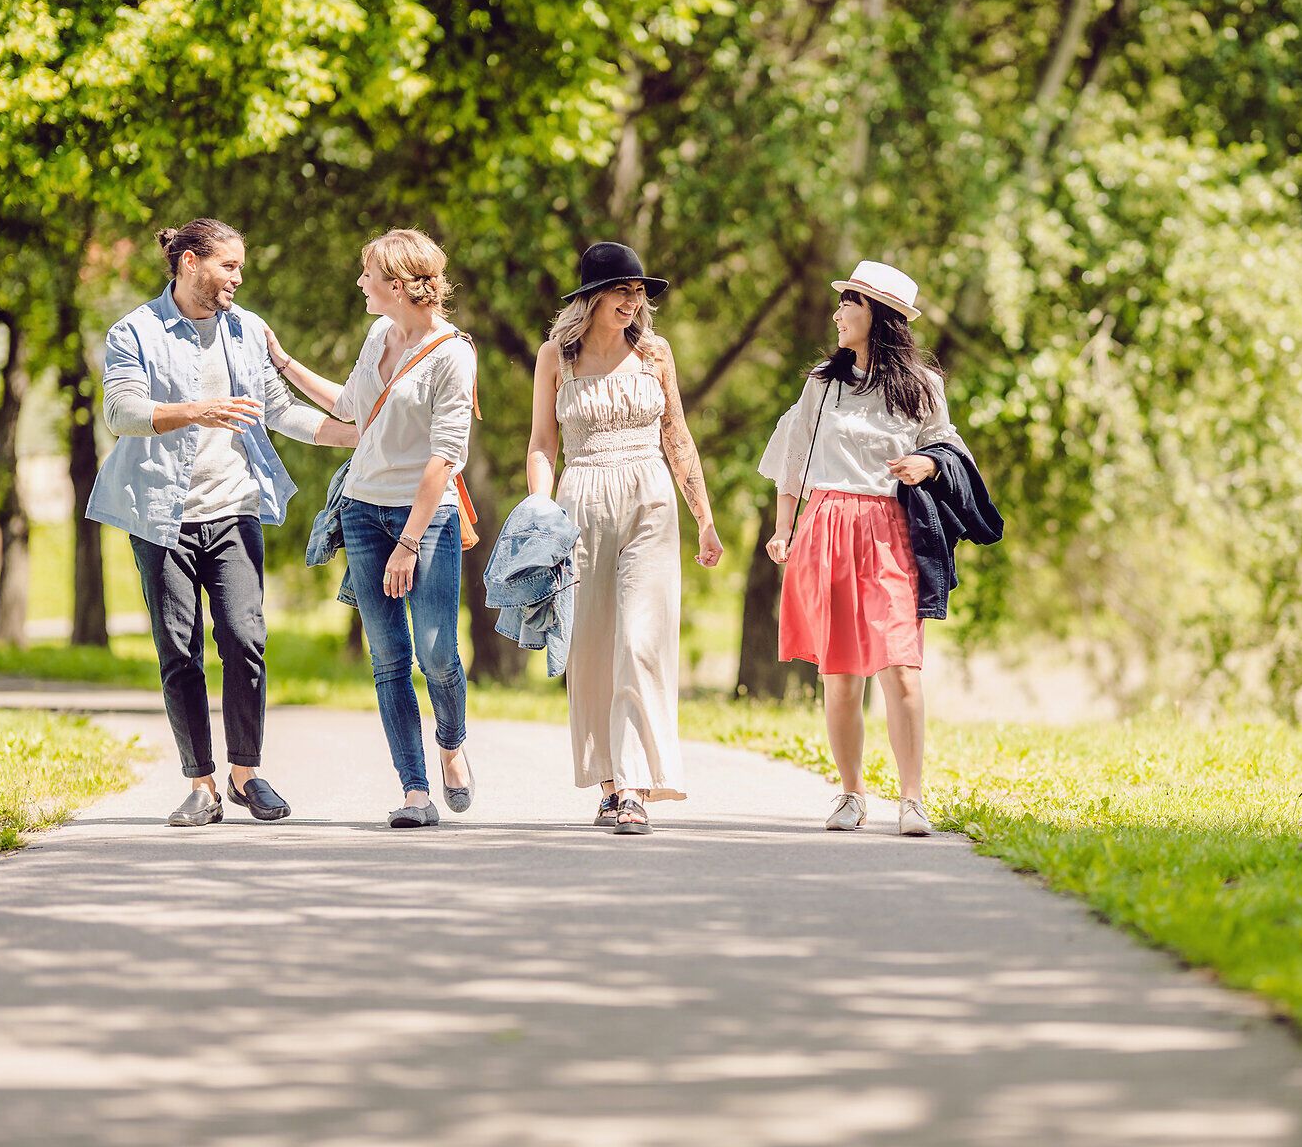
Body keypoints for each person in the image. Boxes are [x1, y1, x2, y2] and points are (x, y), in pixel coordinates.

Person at [88, 218, 357, 827]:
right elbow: (121, 411)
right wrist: (195, 411)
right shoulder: (136, 331)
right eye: (228, 265)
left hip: (234, 505)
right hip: (161, 514)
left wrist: (351, 435)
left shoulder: (247, 330)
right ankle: (201, 784)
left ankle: (245, 774)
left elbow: (277, 410)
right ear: (189, 262)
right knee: (179, 650)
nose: (239, 277)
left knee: (246, 638)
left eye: (240, 266)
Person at [263, 229, 478, 829]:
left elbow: (444, 459)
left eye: (369, 275)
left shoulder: (453, 355)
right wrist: (283, 367)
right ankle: (414, 791)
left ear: (402, 285)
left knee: (436, 652)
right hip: (361, 510)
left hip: (427, 518)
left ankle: (452, 745)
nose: (360, 283)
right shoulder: (377, 336)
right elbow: (352, 410)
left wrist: (409, 541)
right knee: (388, 658)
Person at [759, 260, 971, 836]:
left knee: (901, 668)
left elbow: (949, 451)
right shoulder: (821, 386)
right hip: (826, 526)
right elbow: (793, 460)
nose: (837, 314)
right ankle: (850, 793)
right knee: (841, 674)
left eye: (848, 303)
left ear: (877, 315)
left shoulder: (924, 387)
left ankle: (912, 800)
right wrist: (783, 528)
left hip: (890, 532)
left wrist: (925, 462)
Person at [522, 242, 722, 836]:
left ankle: (635, 785)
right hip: (580, 497)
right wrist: (538, 504)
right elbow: (541, 442)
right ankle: (608, 784)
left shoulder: (656, 354)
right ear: (592, 297)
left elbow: (678, 437)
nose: (635, 304)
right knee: (592, 643)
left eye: (640, 294)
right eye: (624, 292)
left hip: (650, 498)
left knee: (640, 640)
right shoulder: (555, 357)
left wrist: (705, 518)